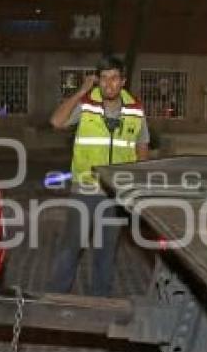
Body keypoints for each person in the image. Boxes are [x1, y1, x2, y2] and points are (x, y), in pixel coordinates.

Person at [48, 56, 149, 297]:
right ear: (97, 81)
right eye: (103, 78)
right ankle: (54, 297)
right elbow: (56, 121)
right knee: (71, 248)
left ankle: (99, 301)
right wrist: (81, 90)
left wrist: (139, 186)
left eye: (114, 78)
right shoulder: (86, 104)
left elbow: (142, 145)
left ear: (123, 81)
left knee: (106, 251)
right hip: (84, 191)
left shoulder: (135, 109)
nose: (109, 84)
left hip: (116, 195)